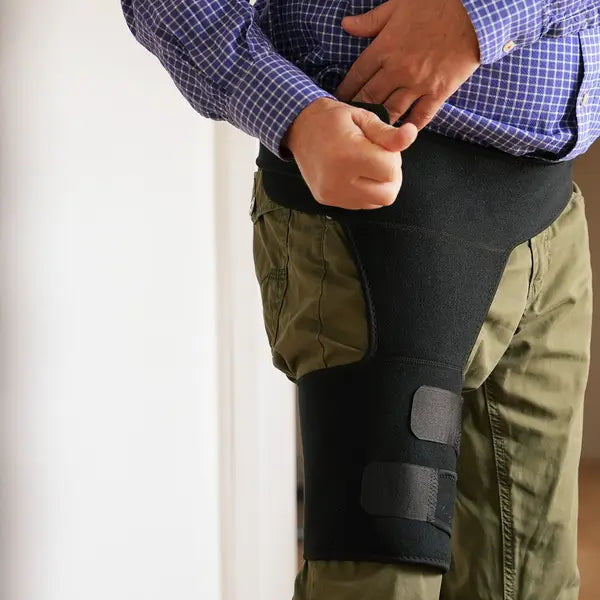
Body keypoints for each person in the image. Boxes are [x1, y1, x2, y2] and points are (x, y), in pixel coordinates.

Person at [121, 1, 598, 598]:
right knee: (379, 573)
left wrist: (483, 15)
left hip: (548, 216)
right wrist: (292, 113)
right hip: (375, 210)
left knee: (534, 581)